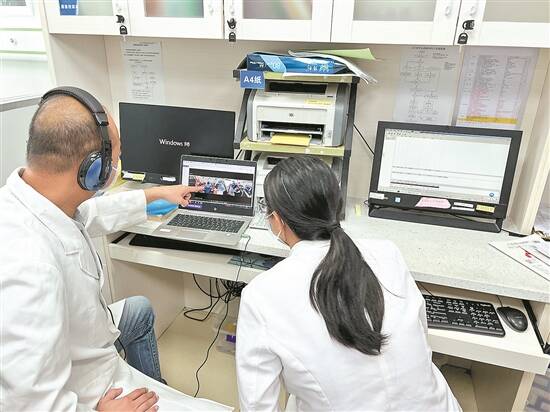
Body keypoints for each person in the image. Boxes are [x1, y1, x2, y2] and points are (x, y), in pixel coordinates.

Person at [0, 87, 228, 412]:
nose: (118, 165)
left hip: (89, 346)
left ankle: (154, 386)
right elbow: (29, 402)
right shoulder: (29, 268)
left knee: (139, 309)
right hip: (91, 393)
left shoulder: (28, 201)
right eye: (117, 157)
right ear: (94, 169)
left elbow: (88, 214)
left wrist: (154, 195)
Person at [236, 156, 461, 411]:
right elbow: (420, 334)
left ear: (277, 219)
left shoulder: (262, 295)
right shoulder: (387, 252)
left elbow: (257, 405)